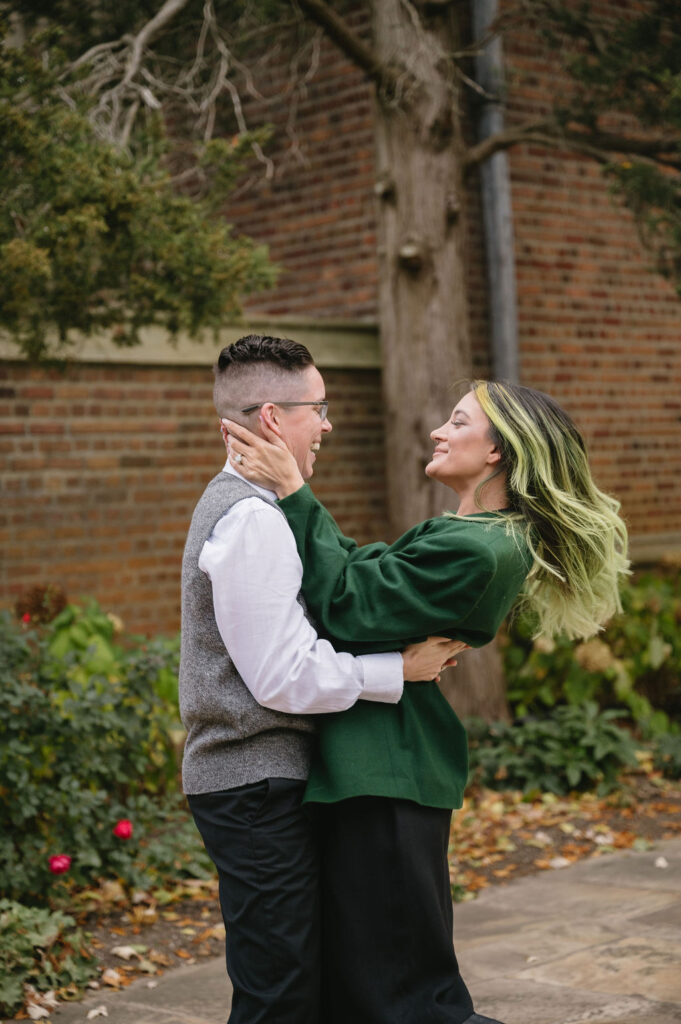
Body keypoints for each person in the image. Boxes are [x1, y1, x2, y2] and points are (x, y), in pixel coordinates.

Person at [223, 378, 629, 1024]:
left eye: (457, 421)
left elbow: (350, 601)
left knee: (407, 1001)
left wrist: (294, 493)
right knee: (367, 994)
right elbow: (362, 571)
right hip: (375, 768)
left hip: (387, 774)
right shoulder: (467, 534)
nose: (438, 431)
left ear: (496, 452)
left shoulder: (482, 547)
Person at [178, 334, 462, 1024]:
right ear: (273, 418)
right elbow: (281, 676)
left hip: (265, 780)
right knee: (279, 992)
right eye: (319, 408)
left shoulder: (262, 508)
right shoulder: (250, 519)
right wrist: (397, 670)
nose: (328, 425)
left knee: (298, 981)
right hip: (252, 783)